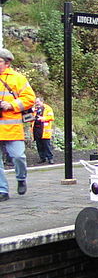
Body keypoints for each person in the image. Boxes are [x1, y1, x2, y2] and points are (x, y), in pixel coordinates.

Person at [0, 48, 35, 201]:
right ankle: (2, 190)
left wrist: (11, 105)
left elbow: (29, 98)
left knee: (18, 156)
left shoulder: (17, 79)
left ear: (7, 63)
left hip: (12, 128)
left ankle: (21, 178)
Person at [32, 97, 55, 164]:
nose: (37, 103)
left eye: (38, 102)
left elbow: (51, 117)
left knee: (47, 145)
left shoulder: (48, 108)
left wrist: (42, 118)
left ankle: (50, 158)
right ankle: (42, 158)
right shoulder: (35, 109)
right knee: (39, 145)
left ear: (42, 101)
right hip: (36, 129)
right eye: (36, 102)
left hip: (45, 130)